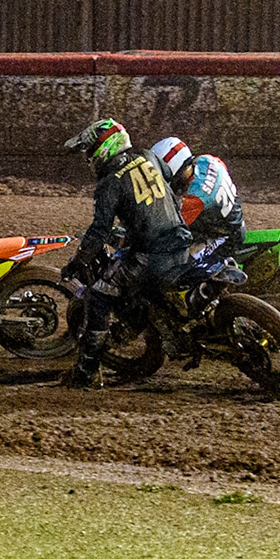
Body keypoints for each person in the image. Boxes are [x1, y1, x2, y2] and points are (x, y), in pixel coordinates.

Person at [60, 119, 193, 388]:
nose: (88, 158)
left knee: (98, 295)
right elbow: (170, 183)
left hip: (151, 257)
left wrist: (77, 263)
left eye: (90, 151)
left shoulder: (109, 183)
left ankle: (86, 372)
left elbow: (98, 232)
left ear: (104, 148)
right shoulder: (149, 156)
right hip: (182, 243)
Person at [151, 136, 244, 265]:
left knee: (175, 266)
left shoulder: (195, 197)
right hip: (227, 220)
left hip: (223, 237)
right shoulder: (206, 159)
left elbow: (169, 227)